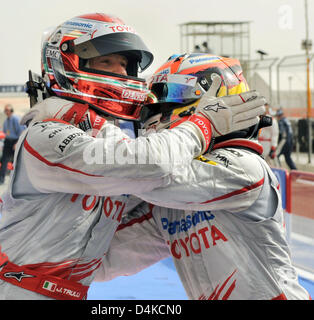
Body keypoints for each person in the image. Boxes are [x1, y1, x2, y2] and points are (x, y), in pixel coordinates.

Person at [0, 15, 265, 300]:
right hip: (7, 290)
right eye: (107, 61)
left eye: (124, 64)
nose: (121, 73)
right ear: (66, 61)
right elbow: (151, 164)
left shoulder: (105, 137)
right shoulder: (43, 135)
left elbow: (107, 258)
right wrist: (202, 125)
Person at [94, 53, 310, 300]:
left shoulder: (243, 167)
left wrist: (91, 138)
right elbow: (104, 261)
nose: (157, 111)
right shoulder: (167, 205)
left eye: (171, 99)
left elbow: (145, 176)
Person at [0, 104, 25, 185]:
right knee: (4, 160)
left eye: (7, 110)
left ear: (11, 111)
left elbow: (21, 131)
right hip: (8, 141)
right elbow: (5, 132)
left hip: (15, 141)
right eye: (5, 111)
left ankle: (20, 181)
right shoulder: (6, 121)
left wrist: (17, 143)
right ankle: (1, 179)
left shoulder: (15, 119)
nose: (6, 112)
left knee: (18, 161)